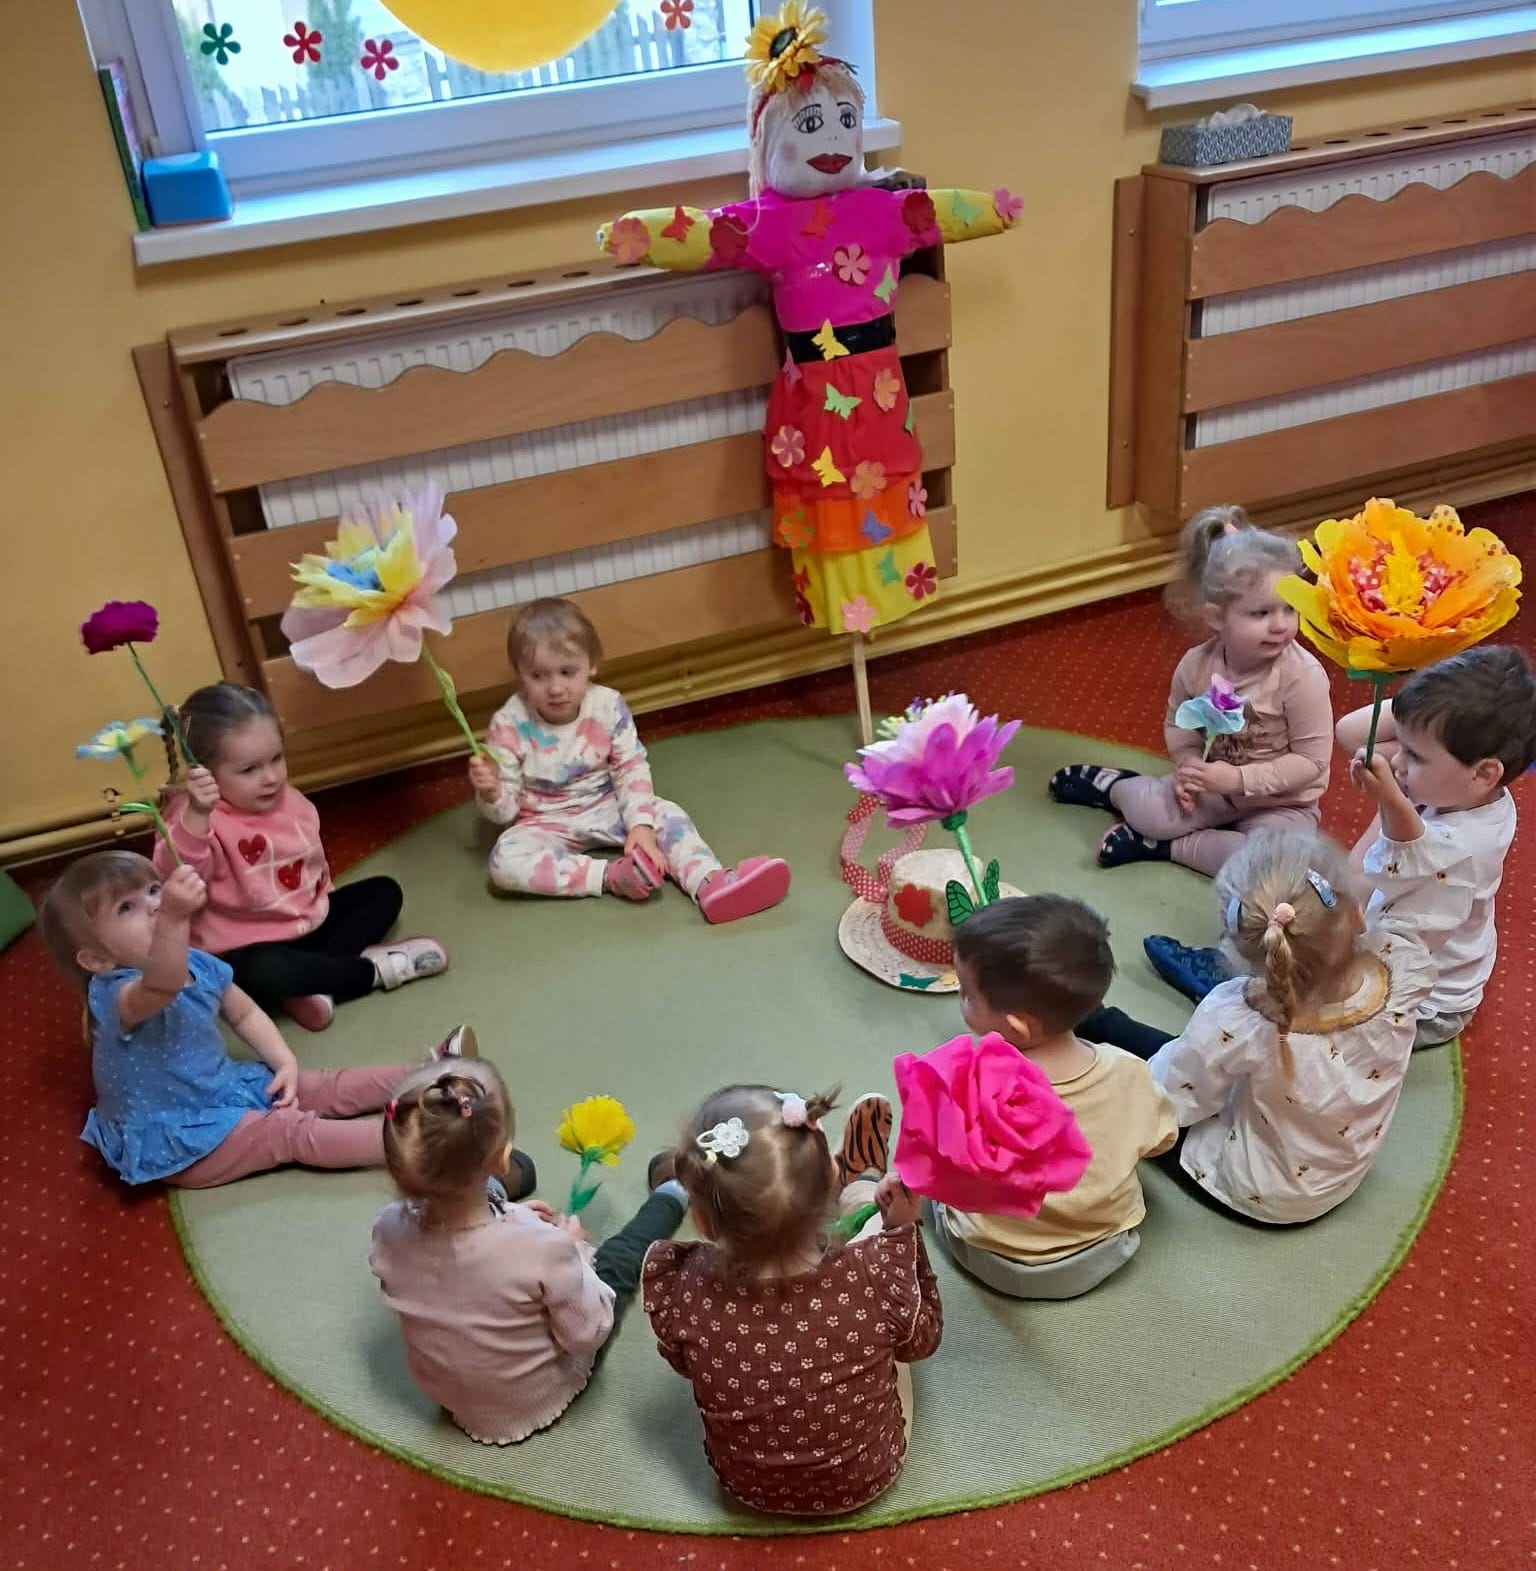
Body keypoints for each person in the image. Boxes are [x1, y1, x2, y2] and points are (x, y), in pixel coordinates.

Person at [1145, 645, 1536, 1044]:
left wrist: (1390, 799)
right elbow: (1350, 732)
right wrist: (1421, 706)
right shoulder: (1456, 787)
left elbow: (1390, 861)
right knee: (1299, 910)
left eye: (1415, 755)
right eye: (1401, 745)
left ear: (1485, 773)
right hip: (1397, 935)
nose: (1397, 761)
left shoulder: (1461, 844)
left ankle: (1238, 989)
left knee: (1288, 1006)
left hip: (1421, 1004)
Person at [37, 850, 467, 1188]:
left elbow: (243, 1012)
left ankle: (431, 1074)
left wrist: (284, 1061)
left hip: (221, 1087)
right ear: (96, 959)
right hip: (177, 1137)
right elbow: (162, 983)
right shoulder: (114, 994)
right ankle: (412, 1144)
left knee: (320, 1086)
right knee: (287, 1132)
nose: (154, 906)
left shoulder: (197, 962)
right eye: (126, 908)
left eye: (153, 890)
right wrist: (174, 919)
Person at [1079, 829, 1433, 1225]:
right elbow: (1416, 864)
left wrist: (1116, 1088)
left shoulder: (1238, 1019)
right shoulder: (1400, 965)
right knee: (1199, 1053)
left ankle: (1087, 1028)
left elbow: (1172, 1102)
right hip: (1338, 1168)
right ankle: (1099, 1023)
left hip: (1255, 1189)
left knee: (1127, 1085)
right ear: (1357, 914)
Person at [641, 1085, 942, 1516]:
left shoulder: (686, 1284)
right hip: (868, 1475)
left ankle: (859, 1184)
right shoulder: (872, 1273)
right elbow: (921, 1341)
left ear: (703, 1222)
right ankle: (863, 1184)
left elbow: (683, 1363)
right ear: (827, 1183)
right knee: (878, 1242)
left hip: (746, 1488)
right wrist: (903, 1234)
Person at [369, 1057, 685, 1445]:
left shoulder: (387, 1227)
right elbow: (587, 1333)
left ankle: (484, 1185)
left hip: (451, 1394)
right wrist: (575, 1252)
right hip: (530, 1398)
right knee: (619, 1257)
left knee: (466, 1201)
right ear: (501, 1157)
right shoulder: (544, 1248)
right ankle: (675, 1192)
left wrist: (514, 1219)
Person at [468, 598, 790, 922]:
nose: (555, 688)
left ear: (591, 665)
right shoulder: (508, 723)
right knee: (503, 860)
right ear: (519, 675)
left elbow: (630, 768)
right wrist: (491, 792)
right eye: (538, 676)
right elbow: (505, 813)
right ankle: (611, 877)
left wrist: (640, 826)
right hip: (543, 820)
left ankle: (710, 883)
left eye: (567, 672)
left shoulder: (608, 705)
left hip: (606, 804)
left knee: (667, 814)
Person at [1050, 506, 1332, 873]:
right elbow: (1179, 724)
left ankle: (1167, 847)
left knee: (1275, 866)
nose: (1280, 625)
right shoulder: (1196, 665)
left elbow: (1312, 763)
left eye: (1289, 609)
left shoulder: (1304, 678)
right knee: (1151, 812)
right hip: (1211, 787)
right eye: (1261, 613)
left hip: (1283, 804)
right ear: (1216, 617)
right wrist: (1188, 765)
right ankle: (1115, 788)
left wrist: (1237, 779)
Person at [154, 682, 445, 1031]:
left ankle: (312, 984)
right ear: (204, 772)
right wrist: (197, 818)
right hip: (249, 948)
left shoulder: (286, 798)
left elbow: (311, 863)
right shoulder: (193, 817)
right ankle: (371, 972)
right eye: (249, 770)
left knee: (384, 892)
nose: (271, 778)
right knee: (263, 971)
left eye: (276, 759)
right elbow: (175, 875)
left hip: (305, 925)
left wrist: (323, 899)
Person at [930, 896, 1177, 1297]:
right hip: (1103, 1251)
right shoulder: (1129, 1071)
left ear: (1018, 1026)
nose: (960, 998)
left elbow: (943, 1160)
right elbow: (1162, 1139)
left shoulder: (971, 1081)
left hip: (994, 1258)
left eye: (966, 993)